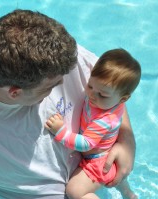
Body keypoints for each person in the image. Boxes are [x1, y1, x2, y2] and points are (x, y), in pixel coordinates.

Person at [0, 9, 136, 199]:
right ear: (15, 92)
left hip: (88, 174)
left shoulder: (64, 58)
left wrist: (126, 139)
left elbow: (113, 92)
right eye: (51, 87)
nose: (65, 81)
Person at [45, 49, 141, 199]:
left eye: (102, 95)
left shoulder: (104, 119)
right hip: (108, 152)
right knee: (118, 178)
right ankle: (128, 193)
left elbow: (85, 144)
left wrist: (60, 131)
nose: (92, 95)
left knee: (74, 191)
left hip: (98, 162)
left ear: (123, 99)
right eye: (90, 86)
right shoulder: (114, 101)